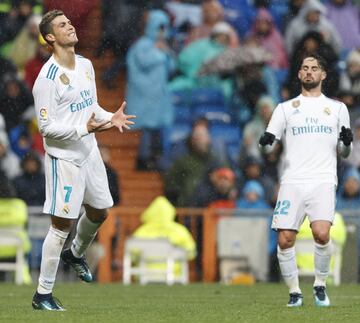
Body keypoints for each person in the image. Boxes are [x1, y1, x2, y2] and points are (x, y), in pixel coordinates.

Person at [31, 10, 135, 311]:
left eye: (69, 22)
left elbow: (90, 109)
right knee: (61, 224)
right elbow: (46, 128)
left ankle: (75, 254)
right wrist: (83, 128)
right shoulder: (47, 80)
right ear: (51, 37)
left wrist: (109, 116)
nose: (70, 25)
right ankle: (43, 294)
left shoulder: (87, 65)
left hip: (88, 151)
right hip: (63, 159)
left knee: (101, 211)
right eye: (62, 25)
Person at [259, 54, 353, 307]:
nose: (309, 72)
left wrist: (346, 141)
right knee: (285, 239)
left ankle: (320, 286)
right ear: (300, 75)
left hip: (323, 180)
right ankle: (294, 292)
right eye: (305, 68)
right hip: (292, 181)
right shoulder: (285, 108)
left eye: (314, 69)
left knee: (322, 234)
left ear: (323, 75)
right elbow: (269, 145)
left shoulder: (337, 108)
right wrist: (266, 145)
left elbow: (345, 151)